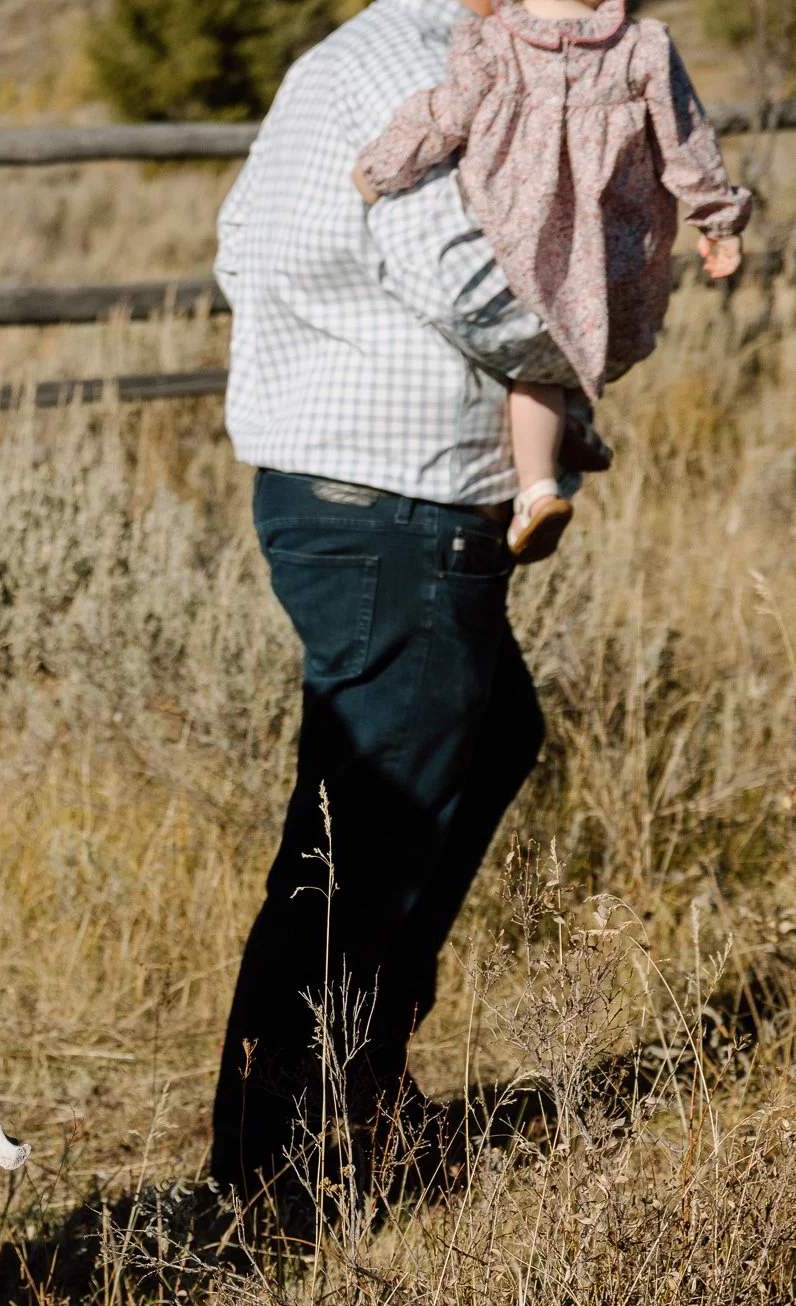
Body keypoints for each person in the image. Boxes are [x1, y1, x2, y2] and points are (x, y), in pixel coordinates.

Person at [209, 0, 578, 1201]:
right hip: (388, 504)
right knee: (367, 829)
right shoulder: (421, 64)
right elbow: (462, 272)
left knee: (473, 747)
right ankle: (287, 1161)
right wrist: (582, 334)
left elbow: (233, 240)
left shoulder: (353, 53)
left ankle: (349, 1082)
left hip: (361, 493)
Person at [353, 0, 751, 558]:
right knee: (569, 349)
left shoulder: (489, 44)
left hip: (522, 251)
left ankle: (537, 492)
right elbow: (686, 141)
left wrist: (377, 170)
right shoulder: (644, 47)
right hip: (616, 258)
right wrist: (719, 220)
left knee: (535, 359)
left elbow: (441, 117)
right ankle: (570, 433)